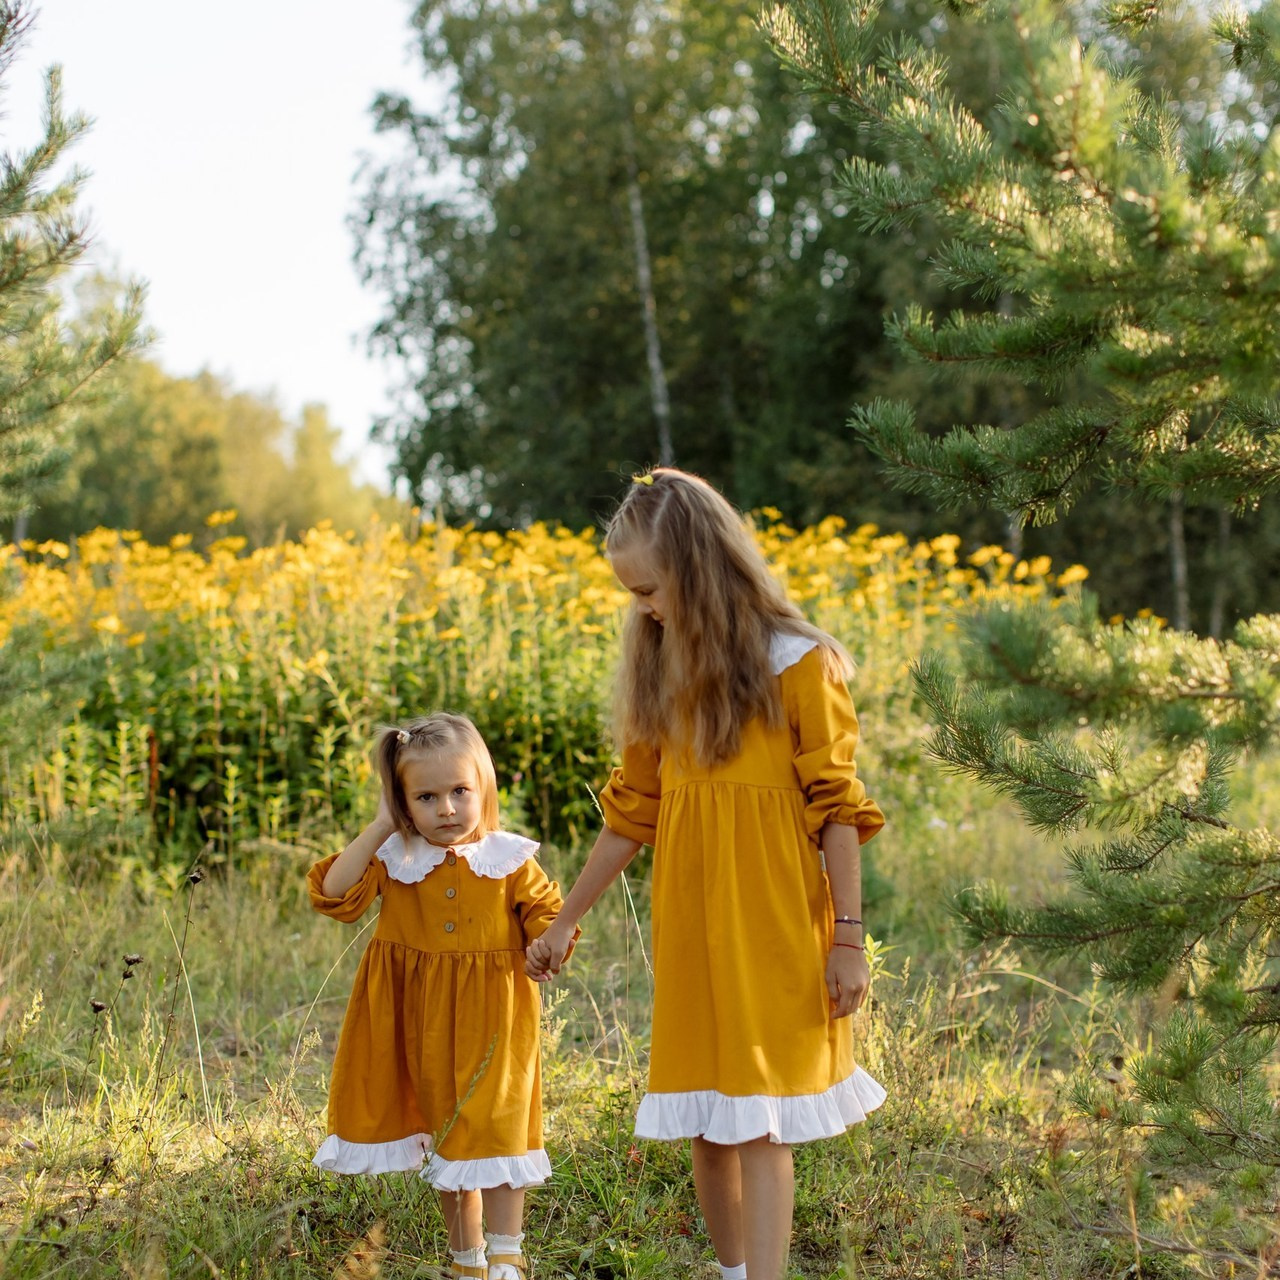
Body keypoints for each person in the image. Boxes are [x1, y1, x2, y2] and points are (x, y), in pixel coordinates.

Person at [526, 468, 886, 1280]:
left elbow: (838, 810)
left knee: (759, 1120)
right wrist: (563, 920)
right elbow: (630, 817)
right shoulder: (663, 674)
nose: (643, 607)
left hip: (774, 920)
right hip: (692, 921)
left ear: (697, 567)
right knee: (708, 1120)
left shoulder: (800, 663)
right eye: (633, 593)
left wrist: (848, 939)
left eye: (650, 588)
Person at [309, 712, 572, 1280]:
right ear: (403, 803)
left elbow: (549, 914)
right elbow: (333, 895)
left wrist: (547, 945)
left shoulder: (507, 860)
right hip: (419, 1021)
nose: (447, 808)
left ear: (484, 789)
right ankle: (466, 1260)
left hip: (495, 1016)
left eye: (460, 791)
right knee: (445, 1134)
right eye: (426, 797)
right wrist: (381, 827)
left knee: (498, 1128)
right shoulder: (397, 857)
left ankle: (506, 1254)